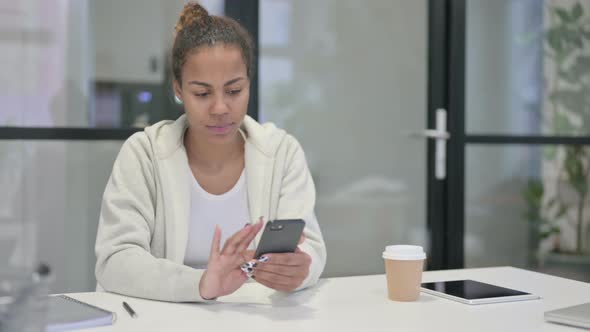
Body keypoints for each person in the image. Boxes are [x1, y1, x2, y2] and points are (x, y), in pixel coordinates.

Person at [94, 2, 326, 302]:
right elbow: (114, 261)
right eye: (202, 93)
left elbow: (312, 248)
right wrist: (201, 284)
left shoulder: (281, 152)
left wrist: (301, 270)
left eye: (234, 91)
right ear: (178, 89)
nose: (220, 108)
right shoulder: (144, 154)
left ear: (249, 83)